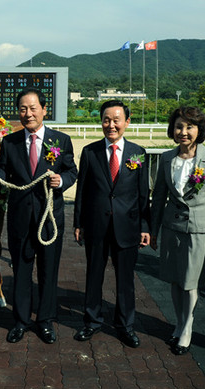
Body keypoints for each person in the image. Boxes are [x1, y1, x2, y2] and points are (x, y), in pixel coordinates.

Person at [0, 88, 77, 344]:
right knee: (21, 270)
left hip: (49, 218)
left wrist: (62, 180)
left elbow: (72, 171)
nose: (27, 114)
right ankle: (20, 321)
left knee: (48, 271)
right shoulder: (10, 142)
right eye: (22, 109)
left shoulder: (60, 141)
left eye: (32, 108)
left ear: (44, 110)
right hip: (19, 218)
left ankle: (45, 321)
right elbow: (6, 173)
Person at [72, 100, 151, 348]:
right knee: (94, 276)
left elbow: (142, 195)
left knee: (125, 280)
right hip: (96, 226)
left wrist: (145, 227)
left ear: (127, 122)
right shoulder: (90, 151)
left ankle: (125, 326)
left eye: (117, 120)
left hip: (127, 227)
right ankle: (92, 322)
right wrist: (79, 223)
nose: (111, 125)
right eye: (106, 119)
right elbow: (82, 190)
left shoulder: (138, 153)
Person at [150, 106, 205, 355]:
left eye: (190, 127)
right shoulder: (167, 157)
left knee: (190, 283)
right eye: (179, 126)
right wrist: (153, 230)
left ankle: (187, 330)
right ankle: (179, 322)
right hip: (171, 228)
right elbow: (158, 196)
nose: (183, 132)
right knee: (174, 278)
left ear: (199, 130)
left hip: (199, 230)